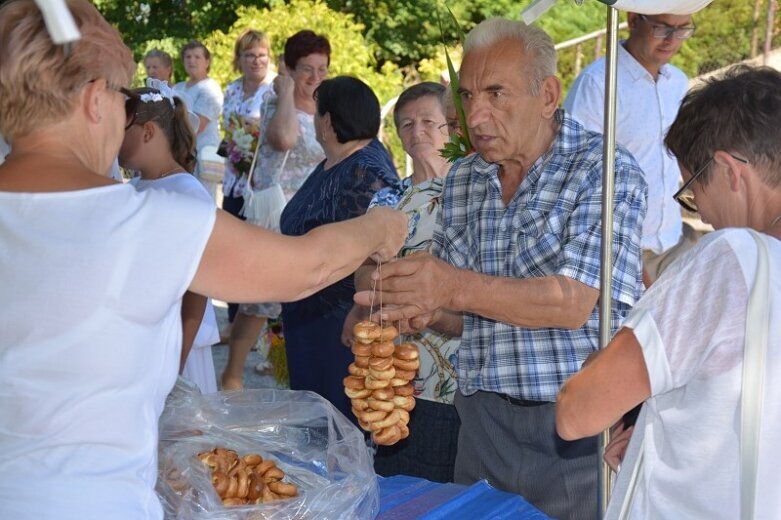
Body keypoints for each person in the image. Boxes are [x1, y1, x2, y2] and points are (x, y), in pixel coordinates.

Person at [0, 2, 407, 519]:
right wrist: (382, 225)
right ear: (91, 100)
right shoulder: (145, 221)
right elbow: (306, 267)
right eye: (122, 97)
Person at [354, 18, 647, 519]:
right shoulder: (466, 177)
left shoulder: (604, 171)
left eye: (496, 93)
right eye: (467, 97)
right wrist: (422, 309)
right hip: (481, 423)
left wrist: (449, 286)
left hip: (572, 428)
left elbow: (574, 301)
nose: (477, 115)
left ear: (548, 95)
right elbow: (465, 313)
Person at [556, 65, 781, 519]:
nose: (707, 215)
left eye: (694, 192)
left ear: (729, 171)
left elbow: (577, 411)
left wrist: (609, 359)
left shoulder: (734, 255)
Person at [342, 82, 461, 482]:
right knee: (395, 475)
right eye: (407, 123)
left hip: (453, 361)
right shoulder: (388, 197)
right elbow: (362, 268)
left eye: (430, 121)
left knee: (440, 476)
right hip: (390, 365)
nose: (418, 131)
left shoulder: (471, 192)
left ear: (452, 128)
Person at [281, 75, 400, 422]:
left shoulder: (367, 172)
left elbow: (380, 249)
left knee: (340, 428)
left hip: (342, 325)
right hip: (313, 320)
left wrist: (362, 312)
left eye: (317, 112)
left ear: (328, 121)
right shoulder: (336, 160)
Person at [221, 30, 329, 390]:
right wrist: (285, 92)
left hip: (312, 210)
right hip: (277, 211)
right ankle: (233, 375)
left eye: (321, 69)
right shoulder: (273, 100)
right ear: (288, 68)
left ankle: (290, 372)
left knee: (303, 297)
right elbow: (283, 139)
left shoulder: (327, 105)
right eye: (306, 69)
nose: (314, 78)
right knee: (261, 301)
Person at [565, 12, 695, 286]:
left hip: (673, 243)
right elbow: (573, 174)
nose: (672, 39)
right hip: (620, 256)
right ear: (634, 20)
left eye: (683, 29)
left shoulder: (679, 83)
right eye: (662, 28)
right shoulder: (598, 83)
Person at [119, 82, 219, 394]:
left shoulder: (187, 194)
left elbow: (198, 289)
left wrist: (178, 358)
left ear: (147, 132)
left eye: (121, 130)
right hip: (143, 336)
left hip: (175, 342)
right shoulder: (134, 188)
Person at [219, 29, 276, 327]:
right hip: (233, 182)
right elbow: (228, 134)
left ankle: (263, 332)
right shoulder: (230, 90)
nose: (256, 60)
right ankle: (233, 322)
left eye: (262, 55)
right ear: (238, 59)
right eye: (249, 55)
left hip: (262, 187)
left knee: (260, 257)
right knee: (231, 253)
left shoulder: (275, 91)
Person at [173, 40, 223, 199]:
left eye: (197, 57)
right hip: (178, 155)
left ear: (207, 61)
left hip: (201, 158)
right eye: (188, 56)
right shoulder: (178, 88)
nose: (191, 60)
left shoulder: (210, 89)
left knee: (201, 201)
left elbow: (197, 125)